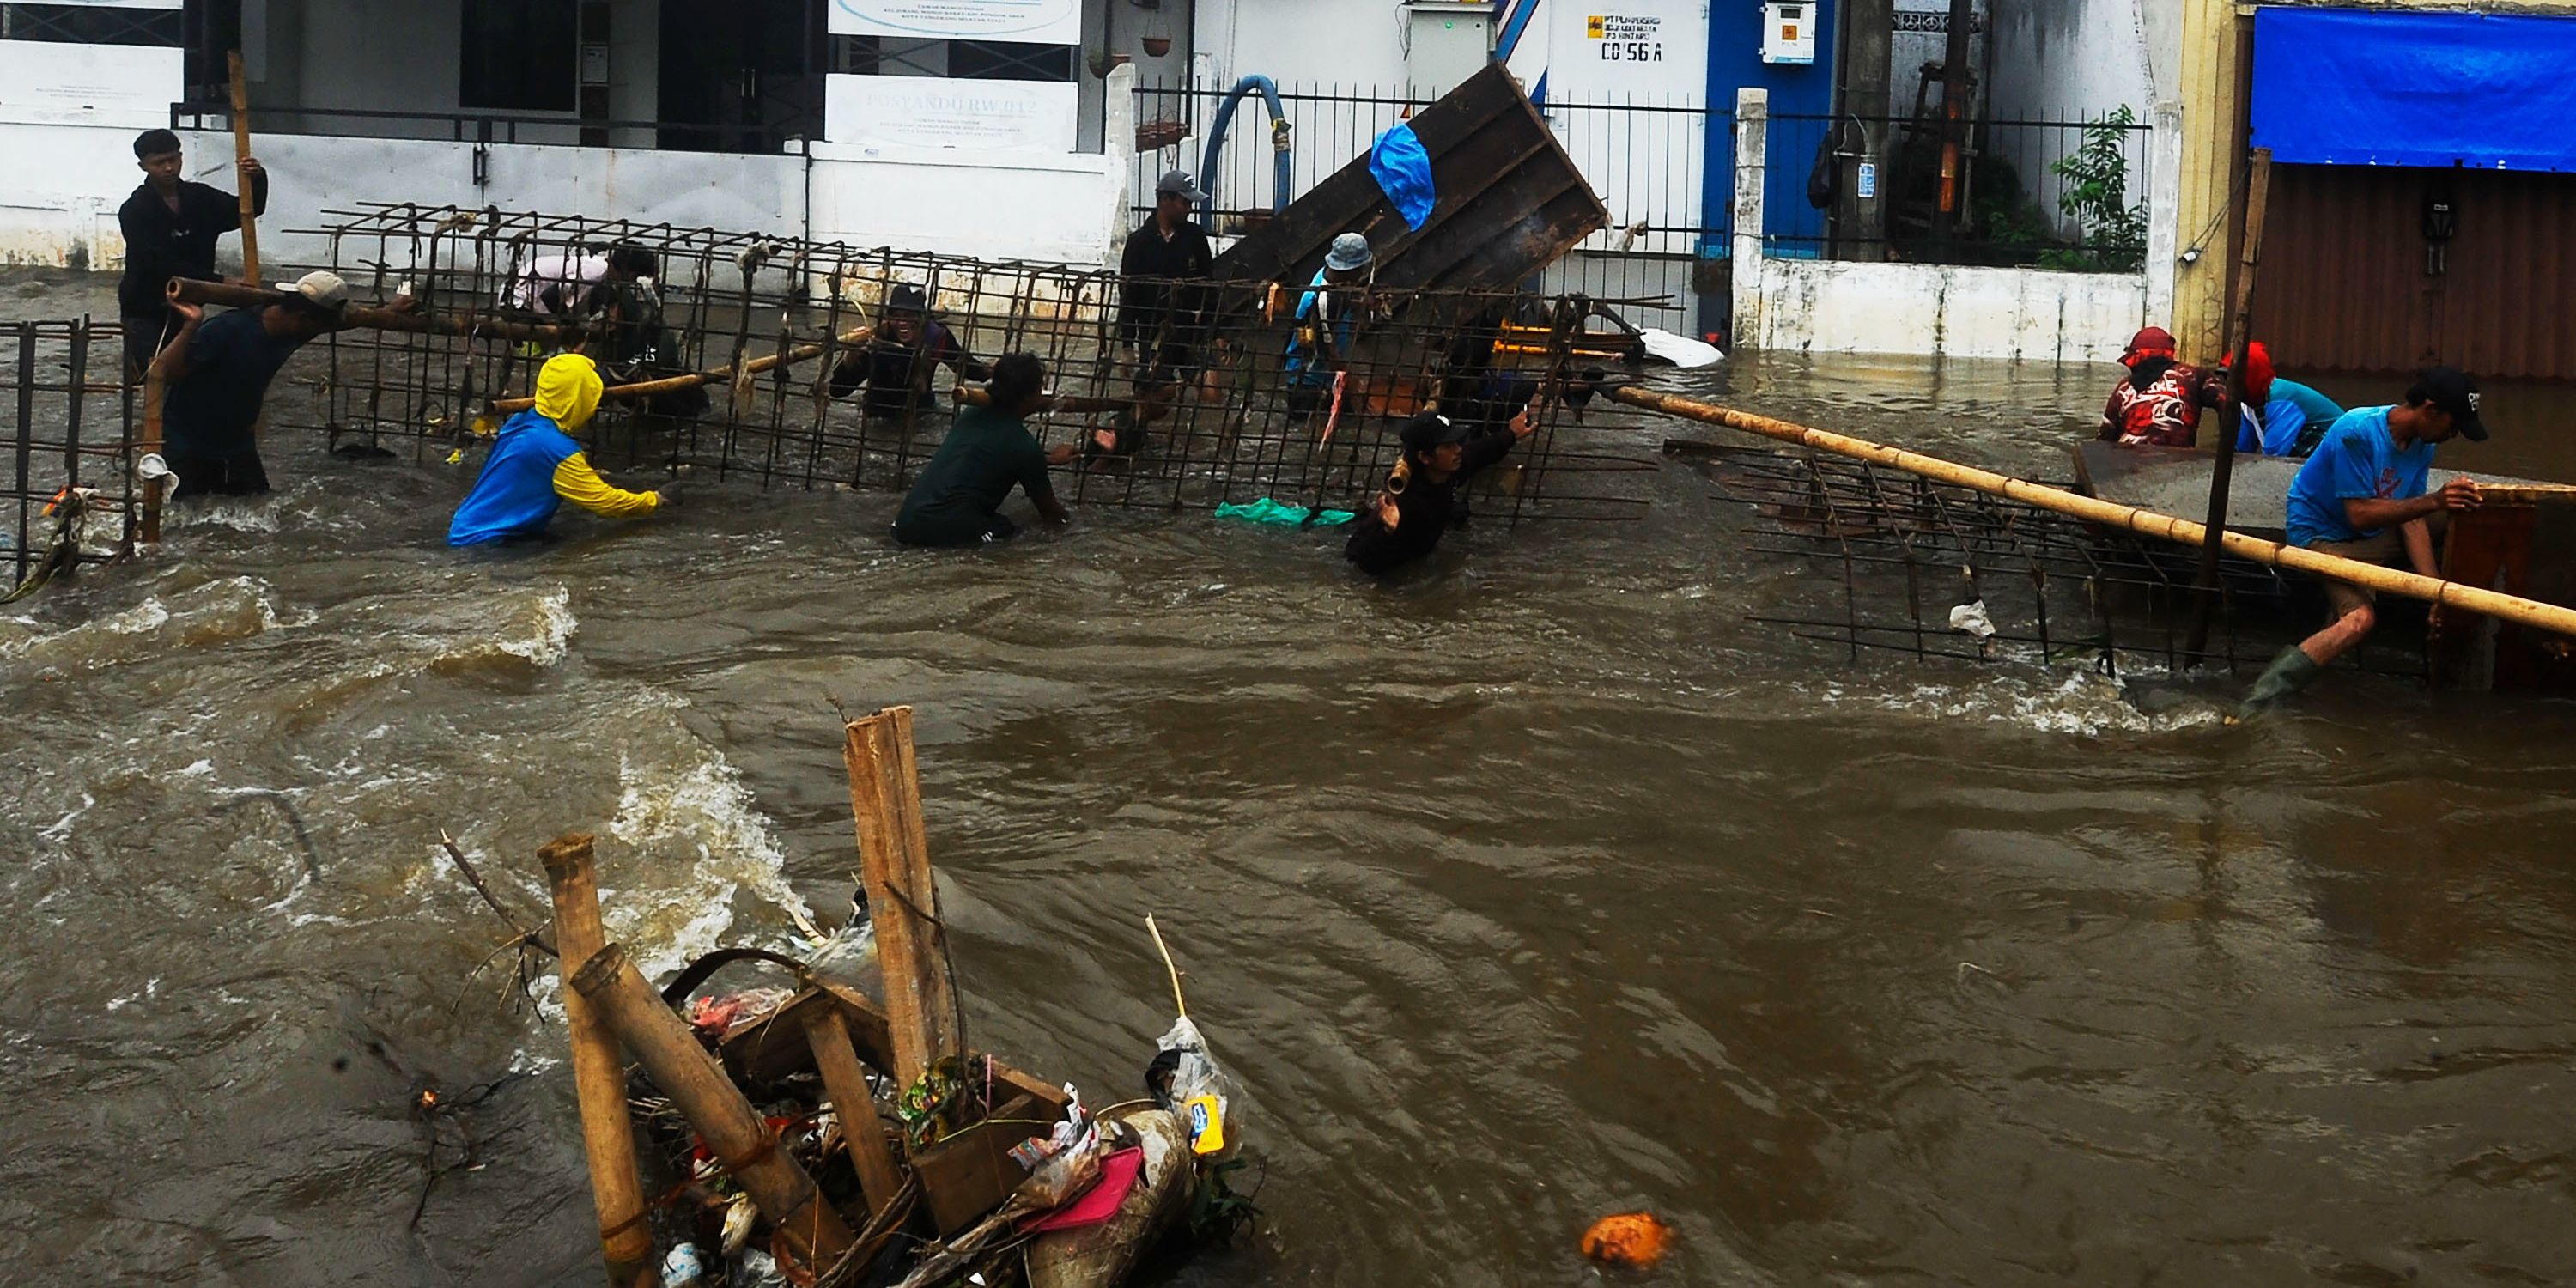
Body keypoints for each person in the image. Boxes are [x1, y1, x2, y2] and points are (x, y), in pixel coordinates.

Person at [2243, 367, 2489, 708]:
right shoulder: (2357, 430)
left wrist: (2436, 593)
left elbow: (2412, 519)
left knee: (2466, 510)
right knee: (2360, 620)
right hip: (2321, 536)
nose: (2453, 435)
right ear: (2431, 410)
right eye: (2453, 425)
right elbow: (2357, 515)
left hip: (2372, 533)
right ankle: (2265, 695)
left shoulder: (2422, 444)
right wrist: (2434, 500)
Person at [151, 271, 354, 500]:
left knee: (257, 508)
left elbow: (347, 321)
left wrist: (389, 314)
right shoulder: (226, 329)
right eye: (320, 326)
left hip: (236, 444)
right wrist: (191, 325)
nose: (320, 332)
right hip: (187, 441)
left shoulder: (296, 330)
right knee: (183, 519)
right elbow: (161, 374)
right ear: (302, 318)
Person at [447, 351, 672, 545]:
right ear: (579, 398)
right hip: (489, 543)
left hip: (467, 528)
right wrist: (657, 499)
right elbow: (605, 502)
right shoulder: (558, 451)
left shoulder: (522, 420)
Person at [118, 127, 268, 380]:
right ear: (143, 166)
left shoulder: (200, 197)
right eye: (159, 163)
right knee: (150, 379)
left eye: (173, 159)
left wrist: (257, 178)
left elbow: (246, 211)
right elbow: (157, 263)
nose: (169, 168)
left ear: (180, 157)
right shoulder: (135, 209)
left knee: (185, 377)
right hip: (146, 308)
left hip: (189, 305)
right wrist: (220, 282)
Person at [892, 352, 1075, 547]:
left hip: (903, 524)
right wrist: (1078, 526)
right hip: (940, 531)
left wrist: (1047, 460)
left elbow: (992, 455)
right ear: (1032, 395)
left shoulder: (972, 414)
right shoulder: (1023, 445)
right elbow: (1051, 513)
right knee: (1017, 535)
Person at [1344, 404, 1537, 577]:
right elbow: (1365, 562)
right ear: (1425, 457)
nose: (1458, 449)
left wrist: (1511, 434)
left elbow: (1478, 453)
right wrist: (1390, 532)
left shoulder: (1445, 471)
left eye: (1456, 443)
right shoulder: (1405, 503)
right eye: (1447, 446)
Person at [830, 284, 989, 421]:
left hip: (921, 411)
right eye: (896, 316)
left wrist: (991, 370)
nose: (902, 323)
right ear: (888, 317)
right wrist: (850, 357)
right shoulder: (878, 340)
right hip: (878, 413)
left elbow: (966, 366)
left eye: (910, 316)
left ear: (922, 317)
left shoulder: (936, 337)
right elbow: (838, 390)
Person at [1283, 233, 1376, 424]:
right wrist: (1353, 386)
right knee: (1313, 438)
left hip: (1326, 376)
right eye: (1360, 268)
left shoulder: (1329, 276)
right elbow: (1329, 354)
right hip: (1308, 381)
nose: (1362, 273)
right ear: (1351, 269)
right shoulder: (1324, 299)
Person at [2098, 325, 2225, 447]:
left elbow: (2105, 438)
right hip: (2180, 462)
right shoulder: (2194, 376)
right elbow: (2227, 402)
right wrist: (2228, 448)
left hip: (2131, 462)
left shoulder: (2124, 388)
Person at [2228, 342, 2348, 458]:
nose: (2229, 383)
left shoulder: (2280, 399)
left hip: (2342, 447)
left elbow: (2273, 458)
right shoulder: (2249, 404)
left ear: (2252, 377)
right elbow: (2243, 450)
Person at [503, 245, 657, 319]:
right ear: (629, 272)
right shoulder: (595, 273)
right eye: (634, 277)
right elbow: (551, 296)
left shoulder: (602, 268)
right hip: (517, 300)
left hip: (530, 294)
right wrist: (569, 326)